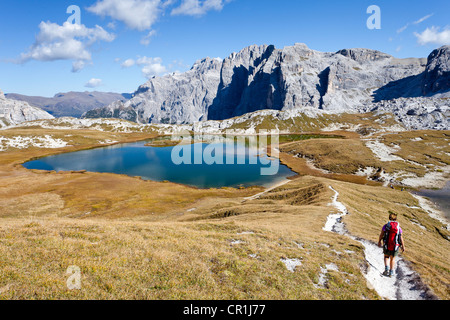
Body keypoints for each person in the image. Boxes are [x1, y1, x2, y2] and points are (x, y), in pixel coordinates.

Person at [378, 212, 406, 277]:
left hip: (386, 244)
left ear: (389, 218)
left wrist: (379, 241)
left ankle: (386, 269)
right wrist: (403, 246)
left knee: (386, 256)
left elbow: (381, 234)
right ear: (396, 219)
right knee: (392, 258)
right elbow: (401, 237)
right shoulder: (398, 228)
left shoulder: (386, 226)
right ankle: (391, 272)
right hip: (395, 246)